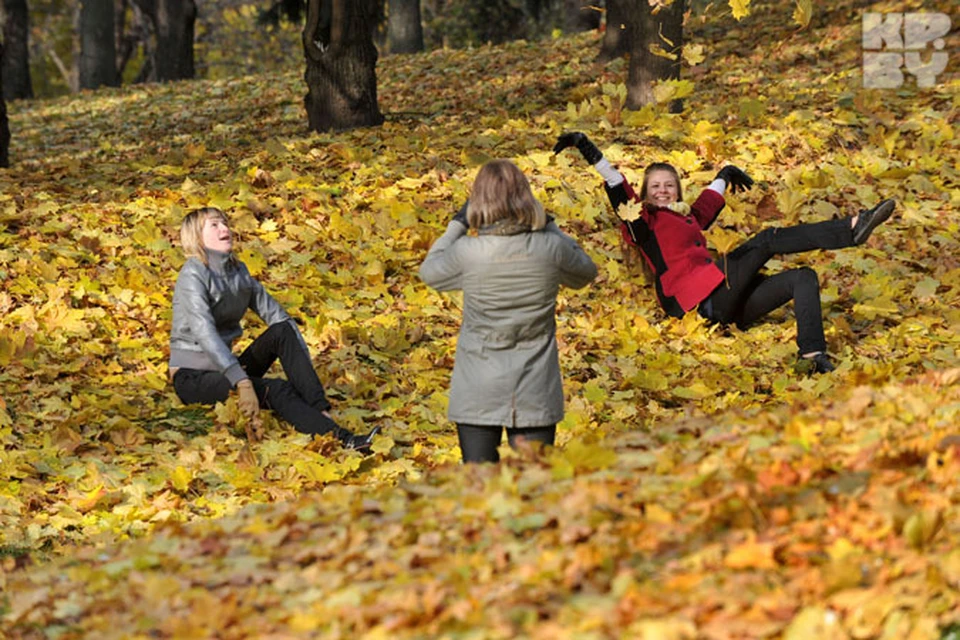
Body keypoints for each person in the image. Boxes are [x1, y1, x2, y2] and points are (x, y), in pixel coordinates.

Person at [554, 132, 896, 373]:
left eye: (668, 185)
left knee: (802, 278)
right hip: (696, 304)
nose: (662, 191)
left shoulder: (685, 217)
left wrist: (725, 174)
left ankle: (813, 355)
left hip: (725, 307)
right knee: (767, 240)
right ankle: (851, 229)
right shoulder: (643, 222)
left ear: (677, 191)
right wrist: (587, 148)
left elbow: (705, 206)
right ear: (645, 193)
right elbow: (618, 187)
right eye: (655, 186)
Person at [419, 160, 598, 463]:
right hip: (535, 384)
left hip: (478, 382)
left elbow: (430, 270)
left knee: (480, 484)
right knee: (533, 485)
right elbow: (585, 270)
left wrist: (458, 224)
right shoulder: (549, 248)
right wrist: (549, 223)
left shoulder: (468, 253)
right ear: (526, 197)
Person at [169, 207, 378, 450]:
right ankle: (345, 440)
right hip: (192, 377)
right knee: (276, 389)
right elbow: (205, 334)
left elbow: (280, 320)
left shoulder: (239, 272)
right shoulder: (192, 274)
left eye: (224, 222)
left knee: (282, 331)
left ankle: (321, 413)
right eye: (214, 225)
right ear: (196, 237)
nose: (224, 228)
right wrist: (243, 383)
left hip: (225, 368)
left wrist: (311, 390)